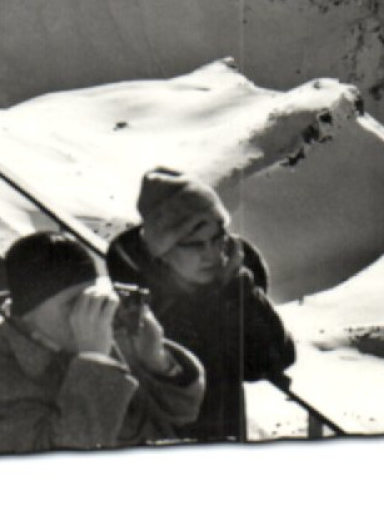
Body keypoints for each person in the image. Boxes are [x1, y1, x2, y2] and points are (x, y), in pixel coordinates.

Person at [0, 231, 204, 454]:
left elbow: (182, 414)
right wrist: (95, 365)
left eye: (91, 297)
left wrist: (157, 361)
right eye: (72, 303)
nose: (89, 313)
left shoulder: (104, 335)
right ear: (26, 316)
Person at [106, 168, 297, 443]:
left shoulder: (226, 288)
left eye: (217, 238)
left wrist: (238, 291)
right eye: (194, 245)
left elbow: (272, 360)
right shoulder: (138, 310)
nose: (211, 254)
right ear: (164, 249)